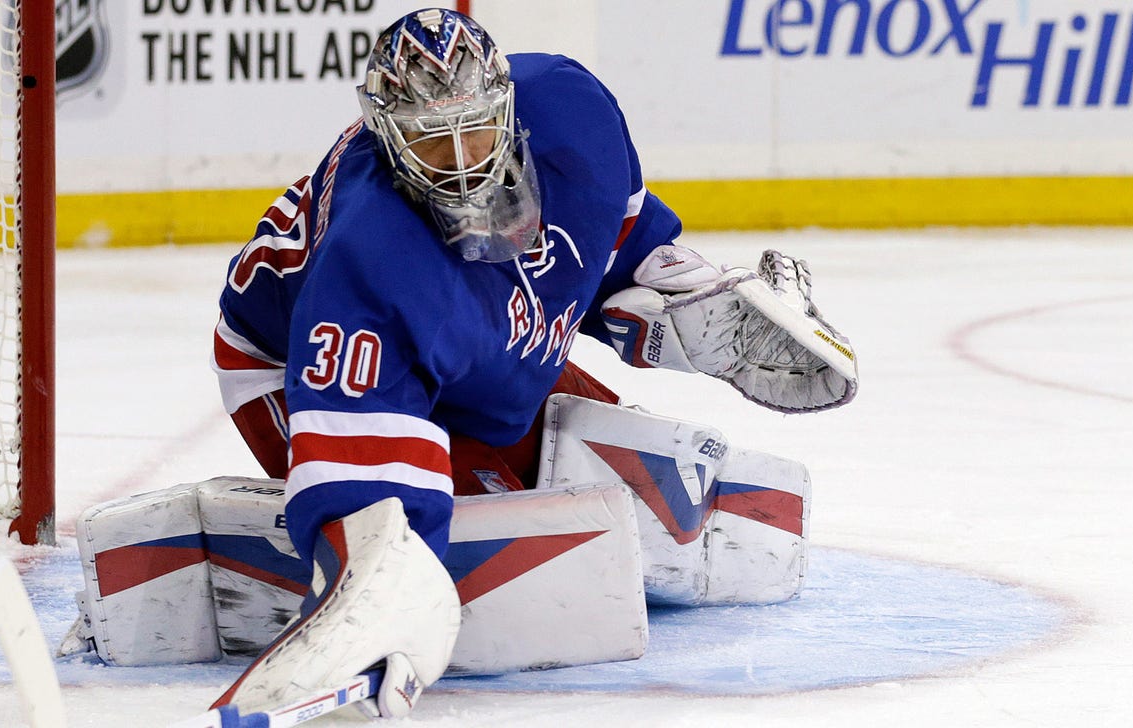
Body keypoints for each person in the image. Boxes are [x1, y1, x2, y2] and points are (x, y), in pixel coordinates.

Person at [209, 7, 857, 719]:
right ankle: (243, 559)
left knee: (644, 486)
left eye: (477, 129)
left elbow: (613, 240)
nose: (461, 162)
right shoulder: (374, 265)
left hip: (465, 344)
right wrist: (374, 585)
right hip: (296, 371)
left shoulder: (572, 114)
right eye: (430, 142)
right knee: (495, 563)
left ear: (509, 108)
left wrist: (684, 297)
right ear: (389, 139)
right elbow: (375, 510)